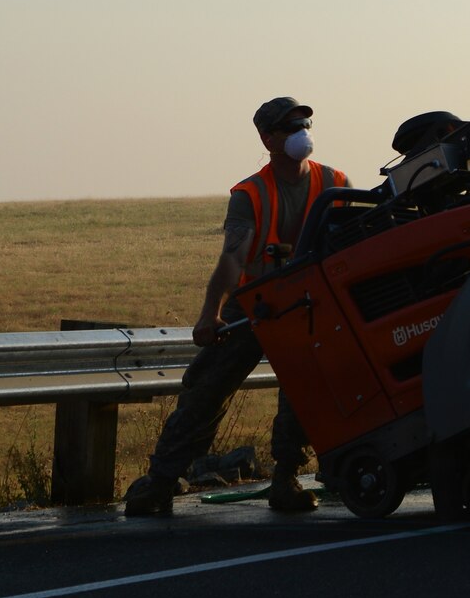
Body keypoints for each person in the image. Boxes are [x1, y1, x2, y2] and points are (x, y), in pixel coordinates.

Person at [122, 97, 352, 516]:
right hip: (254, 307)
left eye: (305, 121)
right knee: (205, 390)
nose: (302, 130)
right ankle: (160, 483)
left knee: (304, 393)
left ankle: (287, 479)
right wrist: (211, 314)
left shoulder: (334, 181)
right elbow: (233, 258)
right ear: (268, 139)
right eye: (290, 126)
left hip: (306, 306)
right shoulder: (251, 193)